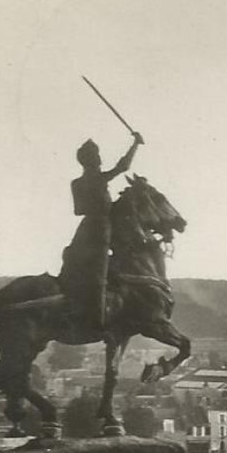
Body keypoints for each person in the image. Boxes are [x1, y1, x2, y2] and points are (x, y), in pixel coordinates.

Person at [58, 132, 143, 328]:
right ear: (92, 161)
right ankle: (98, 317)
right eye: (97, 157)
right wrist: (135, 144)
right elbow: (124, 166)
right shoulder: (99, 178)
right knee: (100, 271)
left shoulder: (76, 183)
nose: (100, 160)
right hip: (101, 228)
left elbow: (78, 210)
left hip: (85, 228)